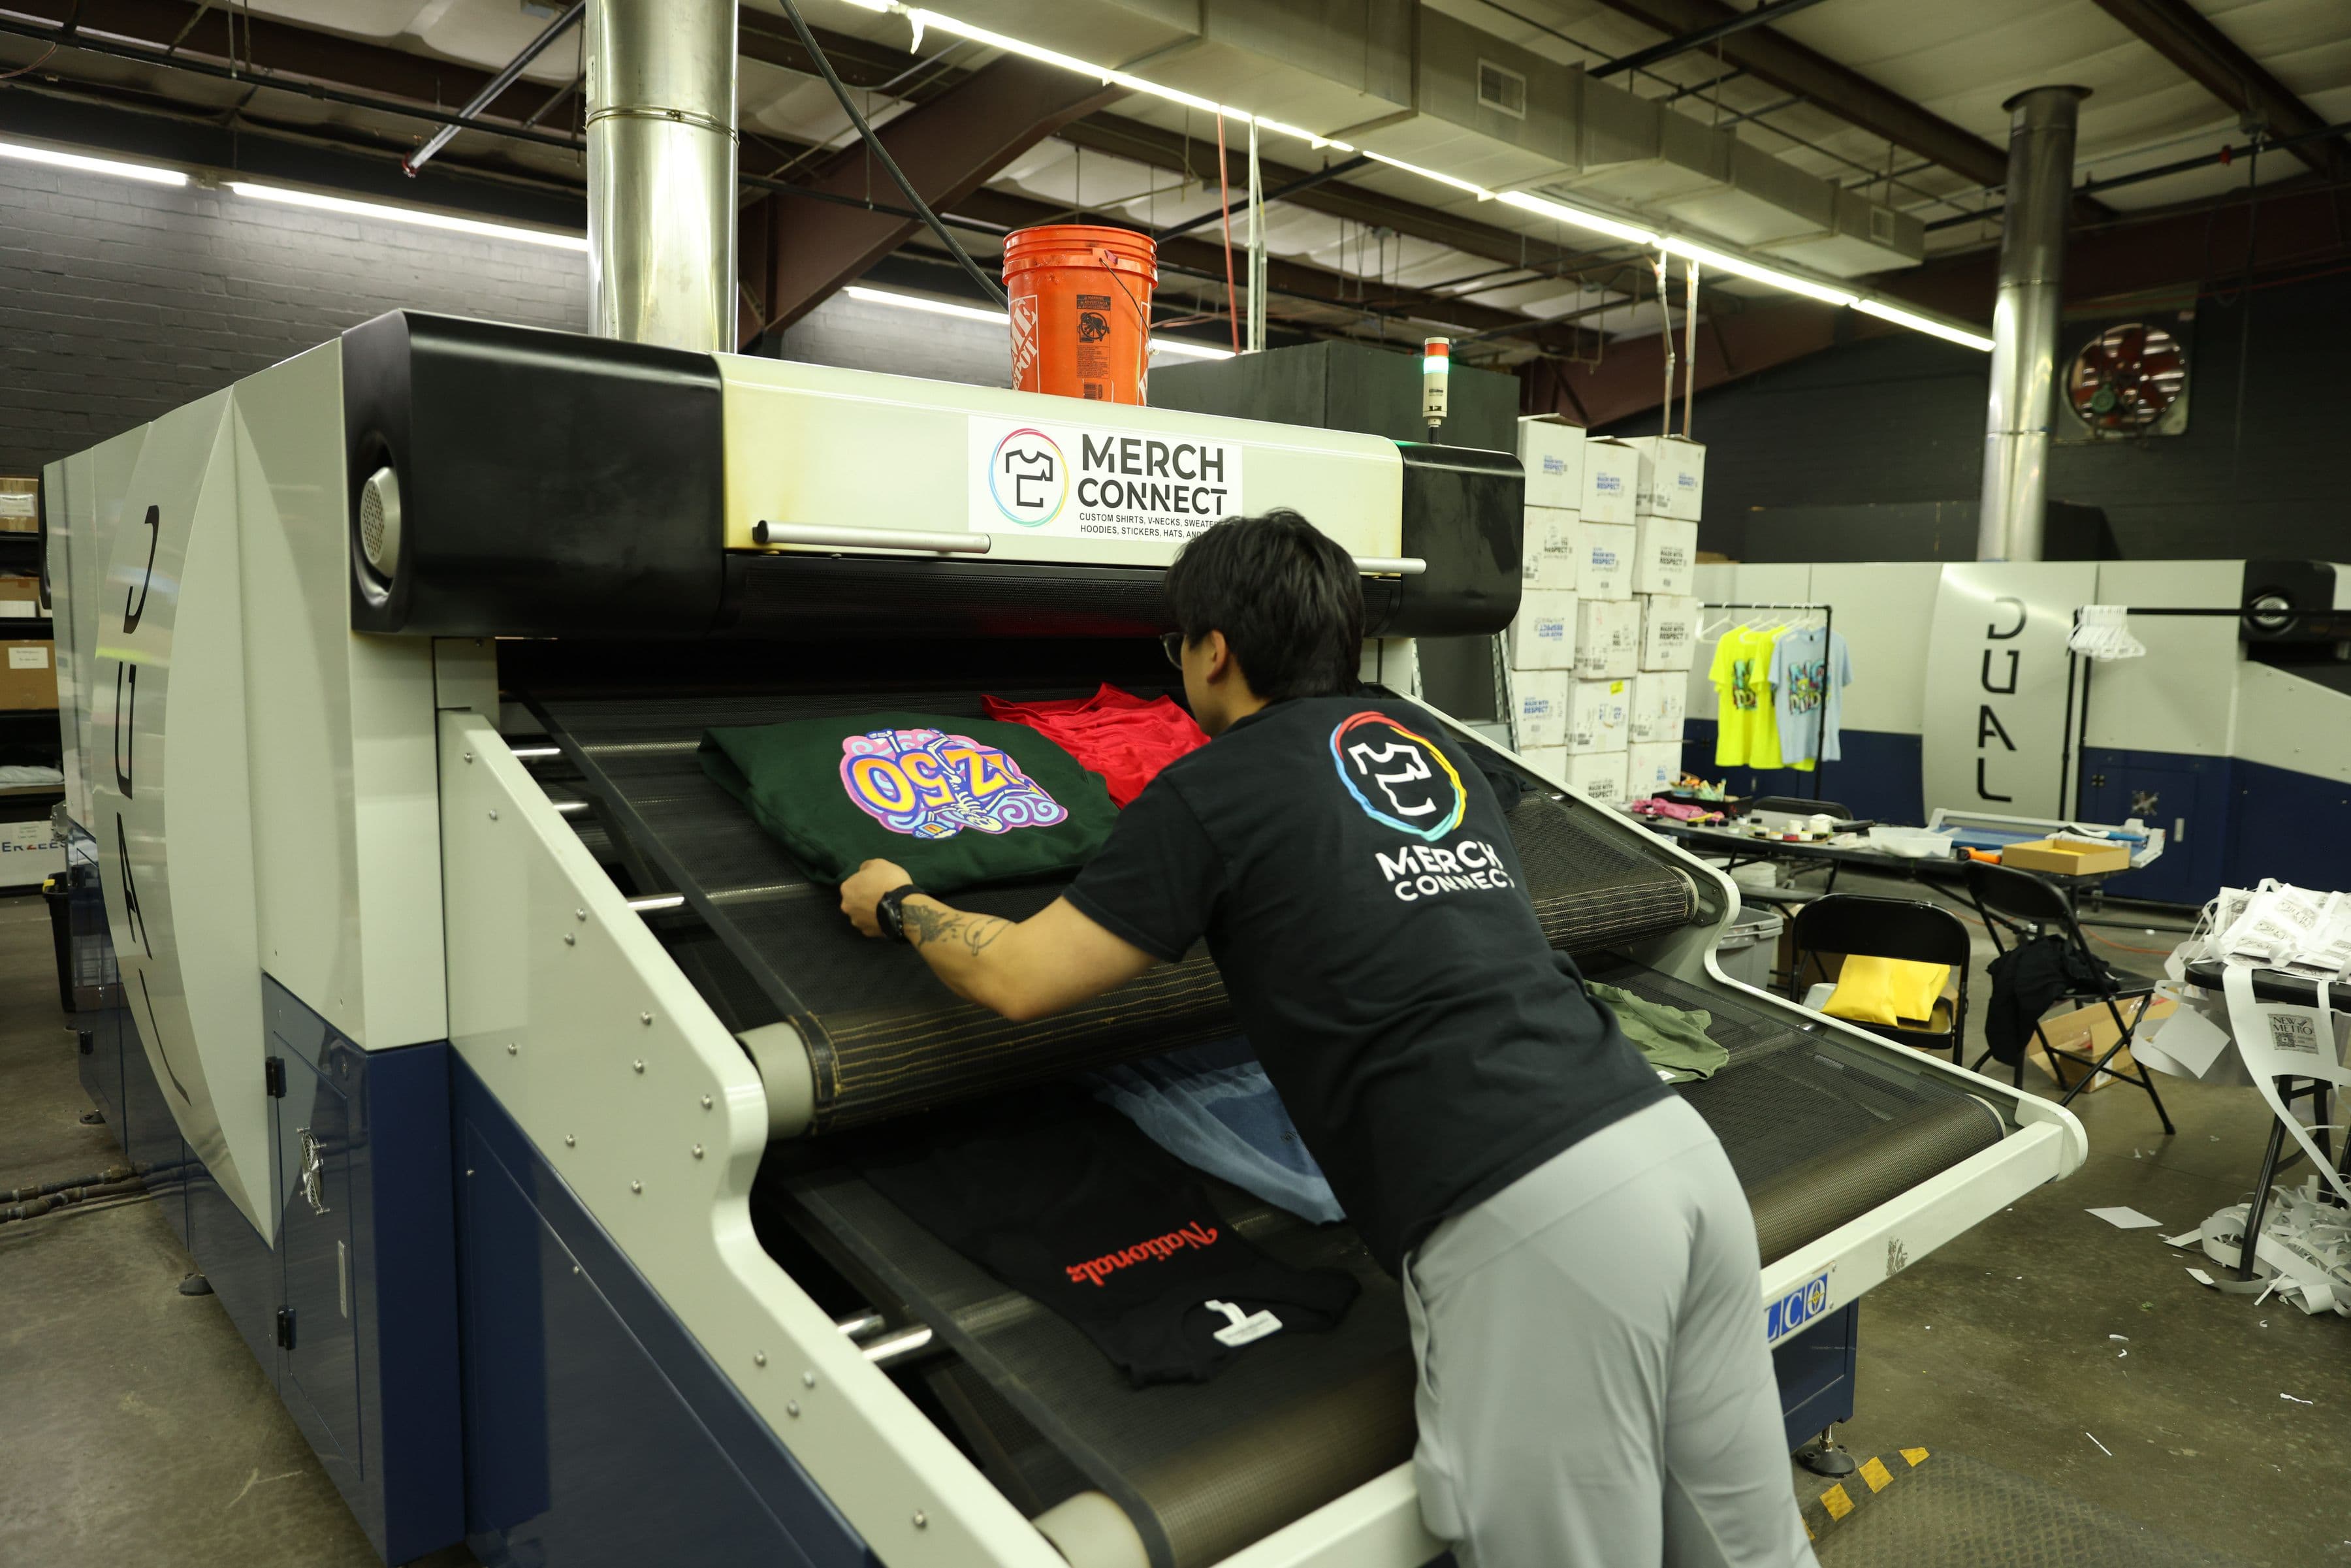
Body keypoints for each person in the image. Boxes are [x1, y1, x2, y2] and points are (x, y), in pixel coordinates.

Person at [839, 509, 1816, 1568]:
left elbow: (1018, 978)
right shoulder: (1438, 750)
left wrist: (897, 900)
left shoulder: (1213, 790)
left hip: (1533, 1212)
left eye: (1177, 646)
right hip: (1668, 1156)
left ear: (1214, 649)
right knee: (1747, 1549)